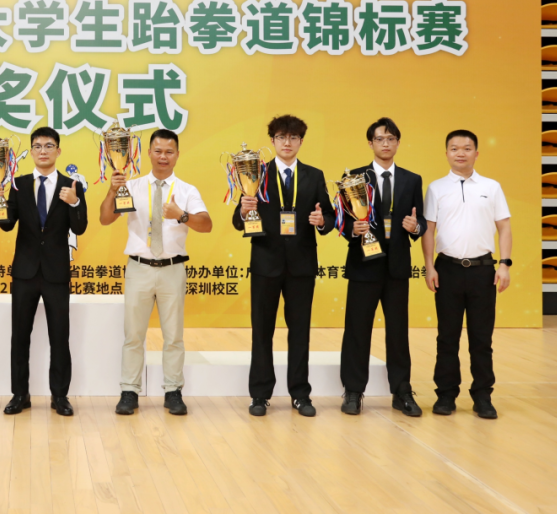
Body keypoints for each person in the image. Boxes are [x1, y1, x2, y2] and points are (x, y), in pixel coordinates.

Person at [101, 129, 211, 416]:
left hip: (172, 269)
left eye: (169, 152)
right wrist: (112, 190)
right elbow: (105, 219)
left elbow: (206, 224)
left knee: (173, 336)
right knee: (133, 335)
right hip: (139, 268)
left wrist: (181, 215)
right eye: (158, 151)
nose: (163, 156)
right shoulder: (132, 186)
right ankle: (129, 391)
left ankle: (173, 391)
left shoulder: (187, 190)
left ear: (177, 155)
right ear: (148, 153)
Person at [235, 114, 335, 418]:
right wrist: (244, 210)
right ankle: (260, 394)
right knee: (261, 330)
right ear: (272, 141)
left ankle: (300, 394)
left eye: (293, 137)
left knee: (300, 331)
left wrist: (322, 221)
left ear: (301, 141)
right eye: (281, 137)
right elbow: (238, 221)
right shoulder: (256, 172)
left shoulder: (314, 175)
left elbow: (330, 217)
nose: (287, 143)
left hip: (302, 266)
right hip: (265, 263)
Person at [0, 126, 88, 417]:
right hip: (25, 272)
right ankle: (20, 394)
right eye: (37, 146)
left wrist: (75, 202)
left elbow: (80, 227)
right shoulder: (18, 184)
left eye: (48, 145)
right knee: (20, 336)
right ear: (31, 151)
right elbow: (7, 225)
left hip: (56, 272)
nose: (42, 151)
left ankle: (60, 396)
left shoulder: (72, 185)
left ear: (58, 150)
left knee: (60, 336)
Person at [338, 117, 426, 417]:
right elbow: (343, 220)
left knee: (398, 333)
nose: (385, 143)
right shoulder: (354, 178)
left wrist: (416, 227)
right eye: (379, 139)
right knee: (357, 331)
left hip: (397, 267)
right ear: (370, 143)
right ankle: (353, 391)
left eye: (390, 139)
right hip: (364, 265)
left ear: (398, 143)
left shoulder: (412, 179)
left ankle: (402, 391)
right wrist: (353, 229)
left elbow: (421, 219)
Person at [423, 130, 512, 419]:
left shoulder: (491, 187)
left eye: (466, 148)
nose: (460, 153)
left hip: (483, 271)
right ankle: (446, 395)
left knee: (481, 338)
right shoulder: (436, 188)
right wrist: (429, 266)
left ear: (476, 153)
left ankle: (483, 396)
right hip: (447, 269)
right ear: (446, 153)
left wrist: (504, 264)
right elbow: (429, 230)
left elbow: (504, 227)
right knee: (447, 337)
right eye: (454, 148)